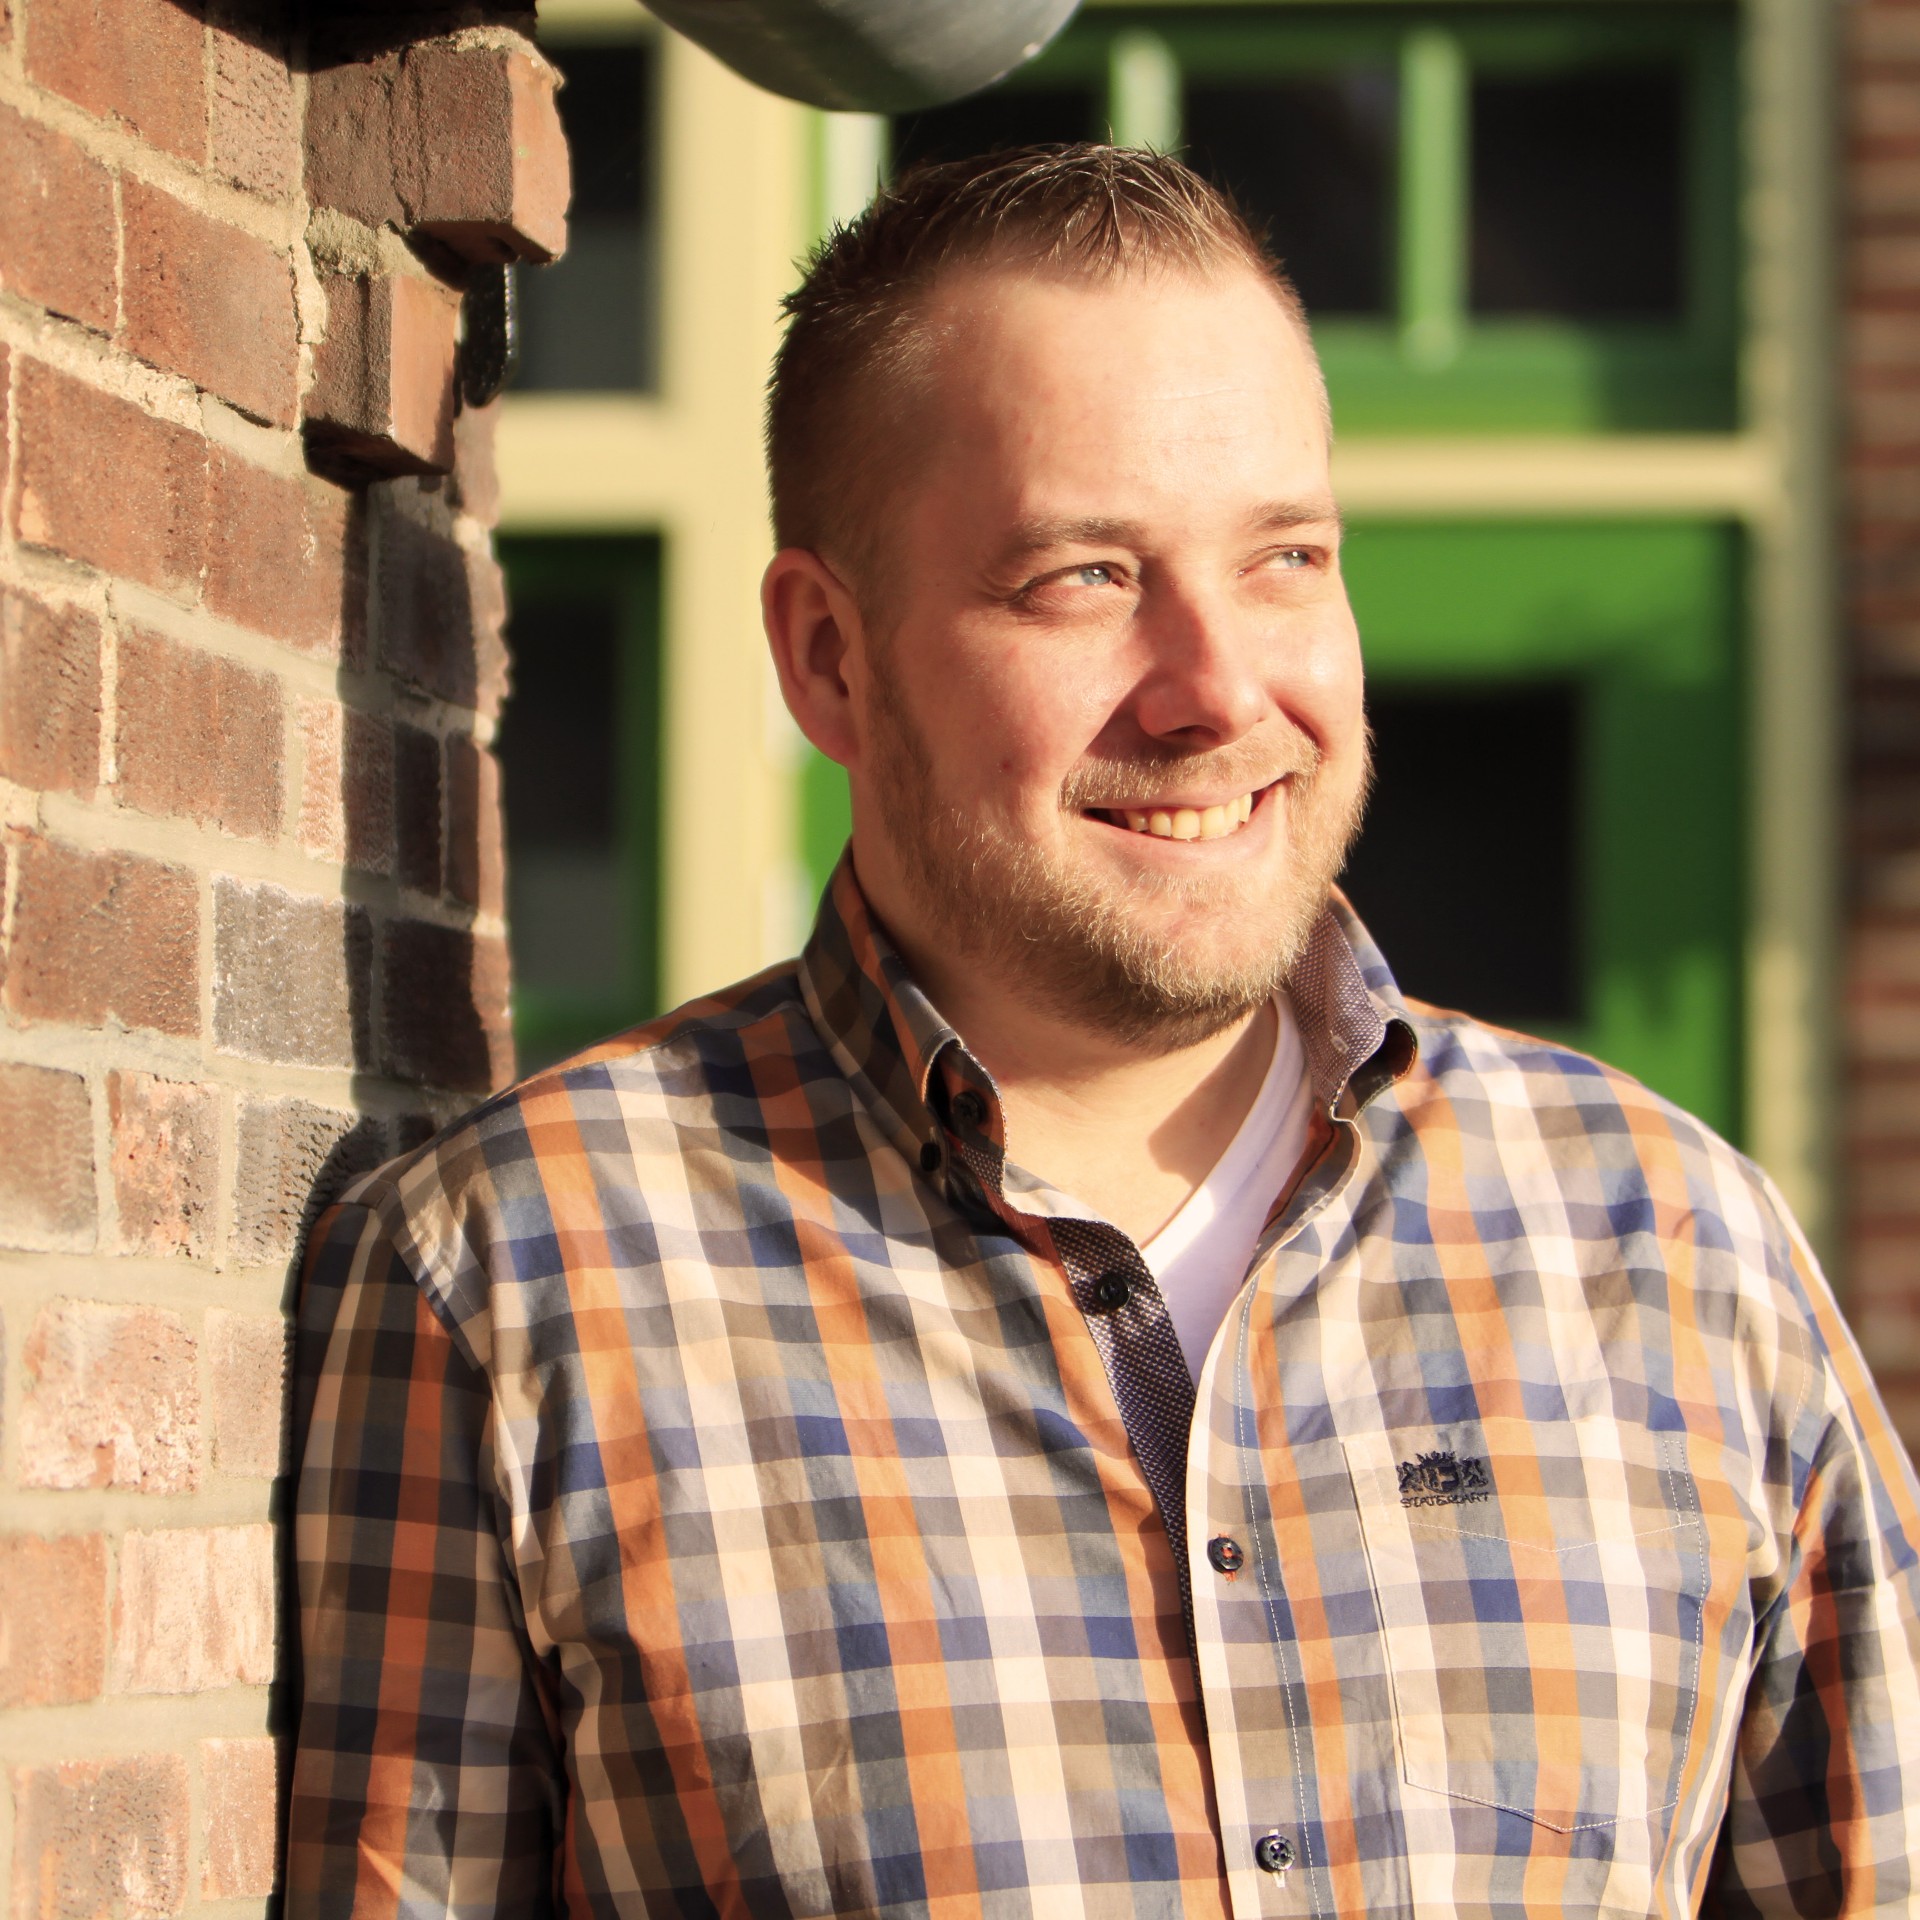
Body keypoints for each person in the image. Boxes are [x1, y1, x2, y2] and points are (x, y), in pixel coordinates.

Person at [286, 146, 1920, 1920]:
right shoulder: (519, 1278)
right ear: (829, 656)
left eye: (1285, 558)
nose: (1217, 687)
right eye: (1083, 577)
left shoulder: (1674, 1248)